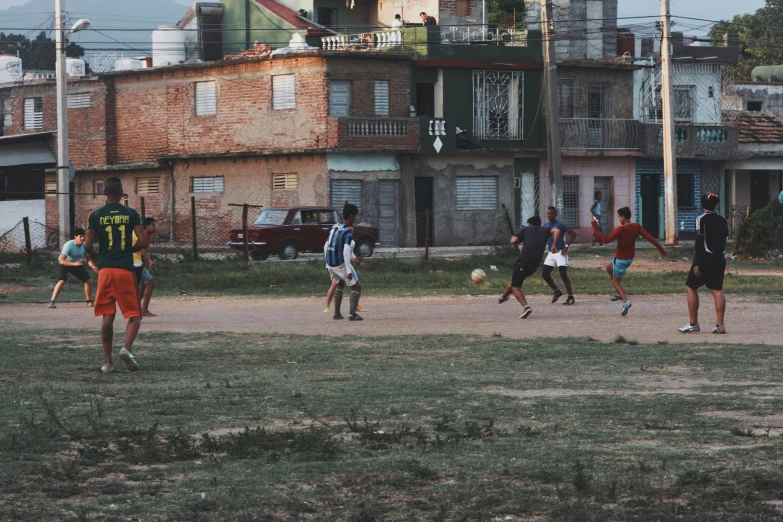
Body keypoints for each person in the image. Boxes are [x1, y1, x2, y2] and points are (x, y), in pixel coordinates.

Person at [85, 177, 147, 373]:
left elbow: (87, 244)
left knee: (107, 316)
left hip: (104, 270)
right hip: (125, 269)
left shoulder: (95, 215)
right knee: (135, 315)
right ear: (122, 193)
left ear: (104, 193)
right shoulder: (131, 213)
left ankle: (107, 363)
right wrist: (130, 249)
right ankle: (126, 349)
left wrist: (94, 254)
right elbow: (143, 241)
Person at [591, 206, 668, 316]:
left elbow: (605, 240)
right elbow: (650, 238)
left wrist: (594, 226)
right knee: (609, 268)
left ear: (623, 216)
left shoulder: (620, 229)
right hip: (629, 259)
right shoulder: (636, 227)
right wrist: (662, 251)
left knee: (616, 282)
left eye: (619, 217)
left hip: (620, 260)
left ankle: (625, 301)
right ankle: (619, 294)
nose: (618, 219)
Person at [679, 193, 730, 334]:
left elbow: (700, 242)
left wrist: (697, 263)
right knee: (717, 290)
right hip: (720, 258)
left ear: (702, 205)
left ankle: (693, 323)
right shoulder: (723, 220)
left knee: (690, 287)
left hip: (705, 258)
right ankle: (720, 325)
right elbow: (724, 238)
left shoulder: (700, 219)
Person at [498, 216, 561, 319]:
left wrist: (522, 238)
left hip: (523, 261)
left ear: (530, 223)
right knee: (516, 281)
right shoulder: (545, 230)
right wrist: (554, 245)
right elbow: (557, 231)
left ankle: (526, 307)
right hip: (535, 263)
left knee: (515, 286)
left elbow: (513, 240)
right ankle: (503, 297)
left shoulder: (525, 229)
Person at [324, 204, 363, 321]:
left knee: (340, 284)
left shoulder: (335, 226)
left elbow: (326, 245)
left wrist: (327, 264)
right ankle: (352, 314)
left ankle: (337, 313)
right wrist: (349, 271)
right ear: (350, 215)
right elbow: (346, 252)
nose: (355, 219)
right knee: (356, 286)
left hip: (331, 264)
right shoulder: (347, 231)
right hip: (340, 264)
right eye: (355, 216)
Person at [48, 228, 98, 308]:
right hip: (65, 263)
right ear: (75, 237)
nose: (82, 238)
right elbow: (61, 261)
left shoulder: (84, 246)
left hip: (75, 264)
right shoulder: (69, 245)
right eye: (80, 236)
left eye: (83, 236)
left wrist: (93, 267)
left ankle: (89, 301)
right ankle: (52, 302)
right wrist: (74, 264)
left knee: (88, 280)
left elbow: (89, 260)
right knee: (62, 281)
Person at [541, 206, 578, 305]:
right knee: (545, 274)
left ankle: (570, 297)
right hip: (551, 253)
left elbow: (573, 234)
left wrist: (566, 246)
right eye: (548, 214)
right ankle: (557, 291)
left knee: (563, 274)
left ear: (556, 214)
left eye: (551, 214)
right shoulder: (545, 226)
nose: (549, 215)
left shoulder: (560, 225)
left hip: (561, 252)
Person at [137, 217, 157, 317]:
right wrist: (149, 260)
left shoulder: (146, 236)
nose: (155, 228)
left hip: (137, 262)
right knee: (150, 283)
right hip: (135, 263)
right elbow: (140, 249)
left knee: (143, 284)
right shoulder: (143, 235)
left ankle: (138, 309)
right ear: (146, 227)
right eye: (153, 226)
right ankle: (144, 310)